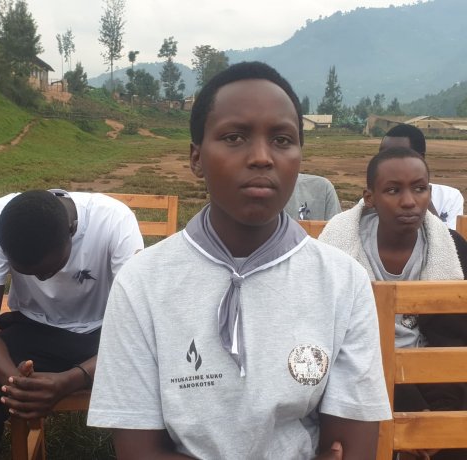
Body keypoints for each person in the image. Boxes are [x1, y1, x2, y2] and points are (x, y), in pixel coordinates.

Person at [88, 62, 391, 459]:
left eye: (282, 140)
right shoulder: (141, 283)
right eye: (234, 137)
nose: (262, 157)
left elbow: (350, 447)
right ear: (196, 158)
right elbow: (138, 451)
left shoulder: (343, 282)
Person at [0, 188, 143, 459]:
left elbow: (138, 330)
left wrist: (69, 381)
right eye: (28, 273)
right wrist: (16, 385)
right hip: (34, 329)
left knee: (158, 373)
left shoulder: (113, 220)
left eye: (48, 270)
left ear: (71, 232)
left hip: (106, 333)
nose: (42, 279)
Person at [319, 146, 467, 460]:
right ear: (369, 198)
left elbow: (457, 339)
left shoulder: (454, 249)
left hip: (436, 376)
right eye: (393, 190)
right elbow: (334, 344)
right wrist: (414, 416)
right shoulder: (336, 253)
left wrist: (437, 418)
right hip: (359, 375)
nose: (409, 201)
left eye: (419, 188)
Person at [380, 124, 464, 230]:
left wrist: (424, 198)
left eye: (397, 156)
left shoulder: (449, 197)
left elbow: (449, 239)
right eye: (382, 156)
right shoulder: (376, 197)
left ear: (420, 158)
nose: (387, 163)